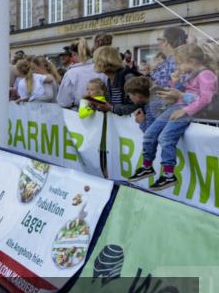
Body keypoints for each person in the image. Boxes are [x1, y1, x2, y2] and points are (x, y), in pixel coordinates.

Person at [129, 43, 217, 190]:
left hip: (188, 110)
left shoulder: (206, 75)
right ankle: (147, 166)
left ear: (192, 61)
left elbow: (206, 99)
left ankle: (168, 174)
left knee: (165, 137)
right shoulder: (190, 74)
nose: (177, 67)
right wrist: (174, 82)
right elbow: (178, 93)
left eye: (179, 63)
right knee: (150, 133)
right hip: (178, 107)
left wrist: (186, 111)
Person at [57, 38, 106, 108]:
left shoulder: (71, 73)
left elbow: (64, 102)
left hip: (80, 112)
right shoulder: (101, 68)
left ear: (74, 54)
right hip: (103, 111)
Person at [90, 46, 139, 116]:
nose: (94, 64)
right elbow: (114, 105)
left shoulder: (127, 77)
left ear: (103, 62)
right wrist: (99, 106)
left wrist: (111, 108)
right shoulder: (110, 79)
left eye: (95, 61)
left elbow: (135, 106)